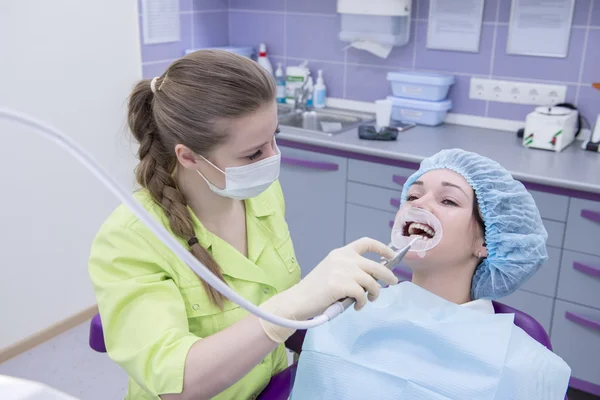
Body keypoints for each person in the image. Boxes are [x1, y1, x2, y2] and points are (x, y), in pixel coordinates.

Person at [88, 50, 399, 400]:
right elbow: (177, 384)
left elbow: (282, 314)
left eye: (274, 138)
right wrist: (291, 305)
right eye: (253, 154)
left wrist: (328, 313)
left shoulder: (260, 197)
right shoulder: (130, 240)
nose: (273, 158)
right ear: (188, 156)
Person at [291, 149, 570, 399]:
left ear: (486, 242)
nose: (419, 204)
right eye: (413, 195)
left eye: (448, 201)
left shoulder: (518, 362)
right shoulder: (349, 309)